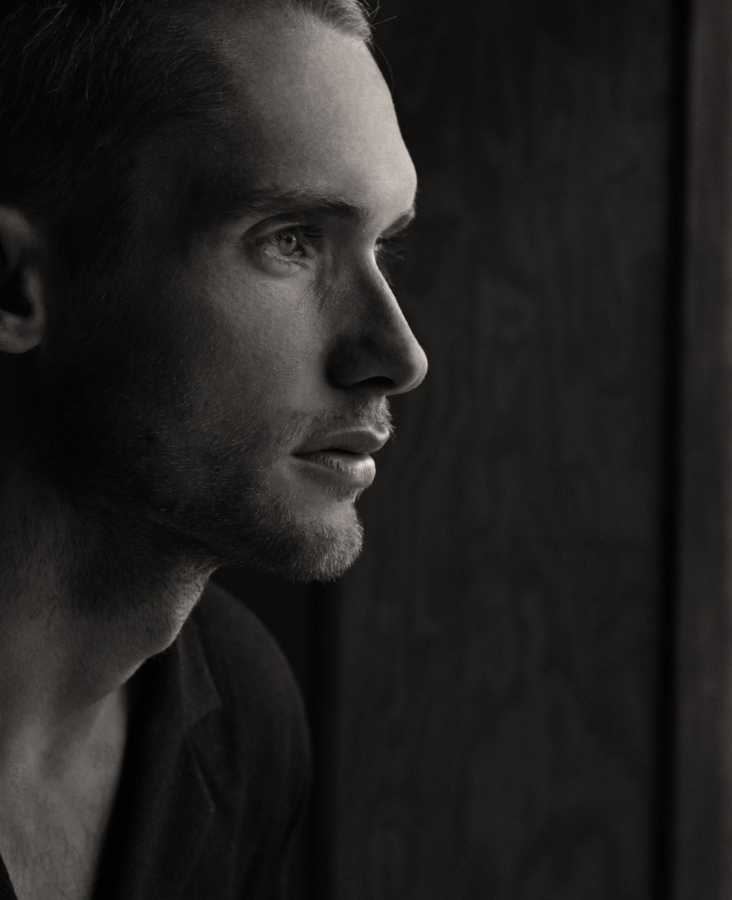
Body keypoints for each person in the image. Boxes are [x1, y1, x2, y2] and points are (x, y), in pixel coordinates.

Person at [0, 0, 427, 897]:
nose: (397, 355)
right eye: (291, 241)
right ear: (15, 288)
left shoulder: (242, 716)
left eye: (384, 245)